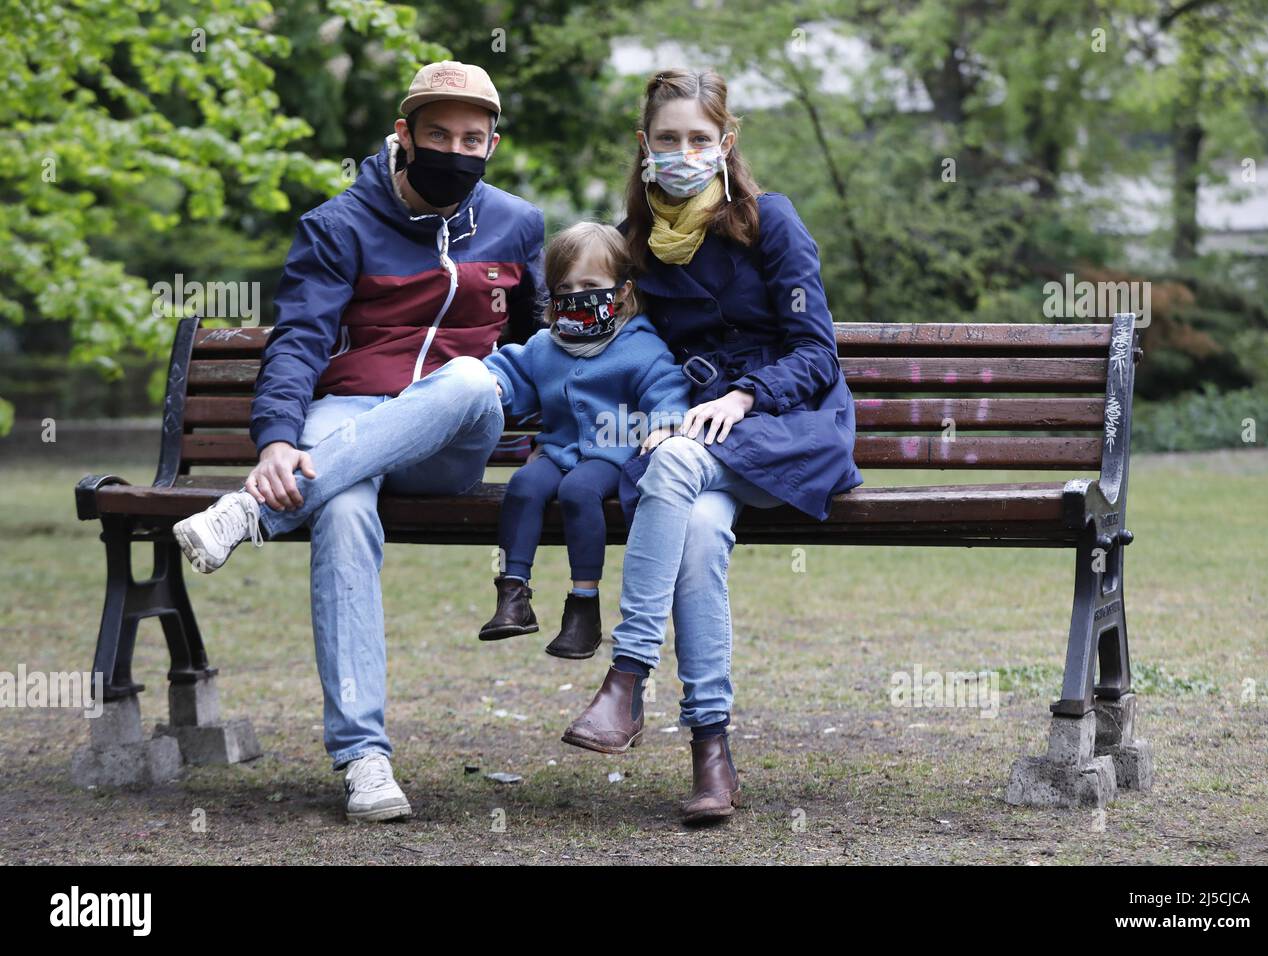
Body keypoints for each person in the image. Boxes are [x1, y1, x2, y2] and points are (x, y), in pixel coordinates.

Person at [171, 61, 546, 823]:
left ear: (492, 145)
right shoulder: (338, 223)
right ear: (403, 135)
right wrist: (277, 439)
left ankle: (248, 512)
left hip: (452, 433)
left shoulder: (518, 223)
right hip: (346, 416)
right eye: (437, 134)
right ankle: (365, 761)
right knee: (339, 512)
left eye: (472, 139)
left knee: (476, 379)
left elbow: (543, 344)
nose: (455, 150)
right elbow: (301, 342)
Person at [560, 68, 863, 824]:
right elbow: (624, 352)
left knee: (672, 462)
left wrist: (743, 395)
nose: (684, 150)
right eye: (668, 139)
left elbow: (817, 352)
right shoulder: (638, 246)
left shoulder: (771, 221)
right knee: (694, 534)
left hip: (788, 423)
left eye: (700, 138)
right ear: (644, 146)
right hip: (695, 436)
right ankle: (711, 754)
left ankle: (625, 678)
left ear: (726, 144)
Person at [479, 222, 690, 659]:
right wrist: (492, 385)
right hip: (557, 451)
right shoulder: (546, 345)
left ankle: (583, 606)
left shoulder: (640, 346)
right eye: (565, 287)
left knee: (578, 492)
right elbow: (511, 369)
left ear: (622, 292)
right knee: (522, 485)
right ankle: (513, 594)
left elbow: (666, 387)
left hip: (612, 455)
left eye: (591, 285)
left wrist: (664, 424)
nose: (577, 296)